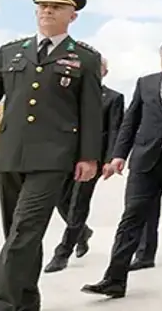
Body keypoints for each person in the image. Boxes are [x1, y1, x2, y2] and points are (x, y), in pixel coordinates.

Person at [0, 0, 102, 311]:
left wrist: (89, 156)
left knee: (24, 231)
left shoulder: (85, 59)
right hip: (9, 154)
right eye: (43, 6)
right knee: (20, 237)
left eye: (57, 7)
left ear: (72, 16)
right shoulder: (11, 51)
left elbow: (91, 111)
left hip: (53, 157)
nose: (47, 10)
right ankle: (27, 301)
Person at [81, 40, 162, 298]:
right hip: (145, 160)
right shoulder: (145, 83)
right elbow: (130, 121)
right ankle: (114, 278)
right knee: (132, 216)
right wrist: (118, 155)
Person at [44, 57, 124, 273]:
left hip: (93, 158)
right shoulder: (69, 94)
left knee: (79, 201)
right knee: (60, 199)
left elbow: (115, 130)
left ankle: (63, 252)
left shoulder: (113, 98)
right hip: (66, 155)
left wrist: (110, 160)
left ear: (105, 73)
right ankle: (82, 232)